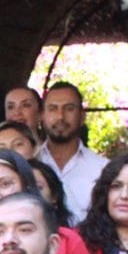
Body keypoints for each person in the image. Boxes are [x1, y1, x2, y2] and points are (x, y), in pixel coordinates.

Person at [37, 81, 107, 224]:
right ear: (42, 116)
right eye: (53, 109)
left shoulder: (103, 169)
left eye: (69, 109)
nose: (60, 116)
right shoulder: (30, 164)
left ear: (82, 116)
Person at [26, 159, 73, 231]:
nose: (30, 193)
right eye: (25, 187)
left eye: (38, 187)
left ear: (54, 196)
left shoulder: (67, 236)